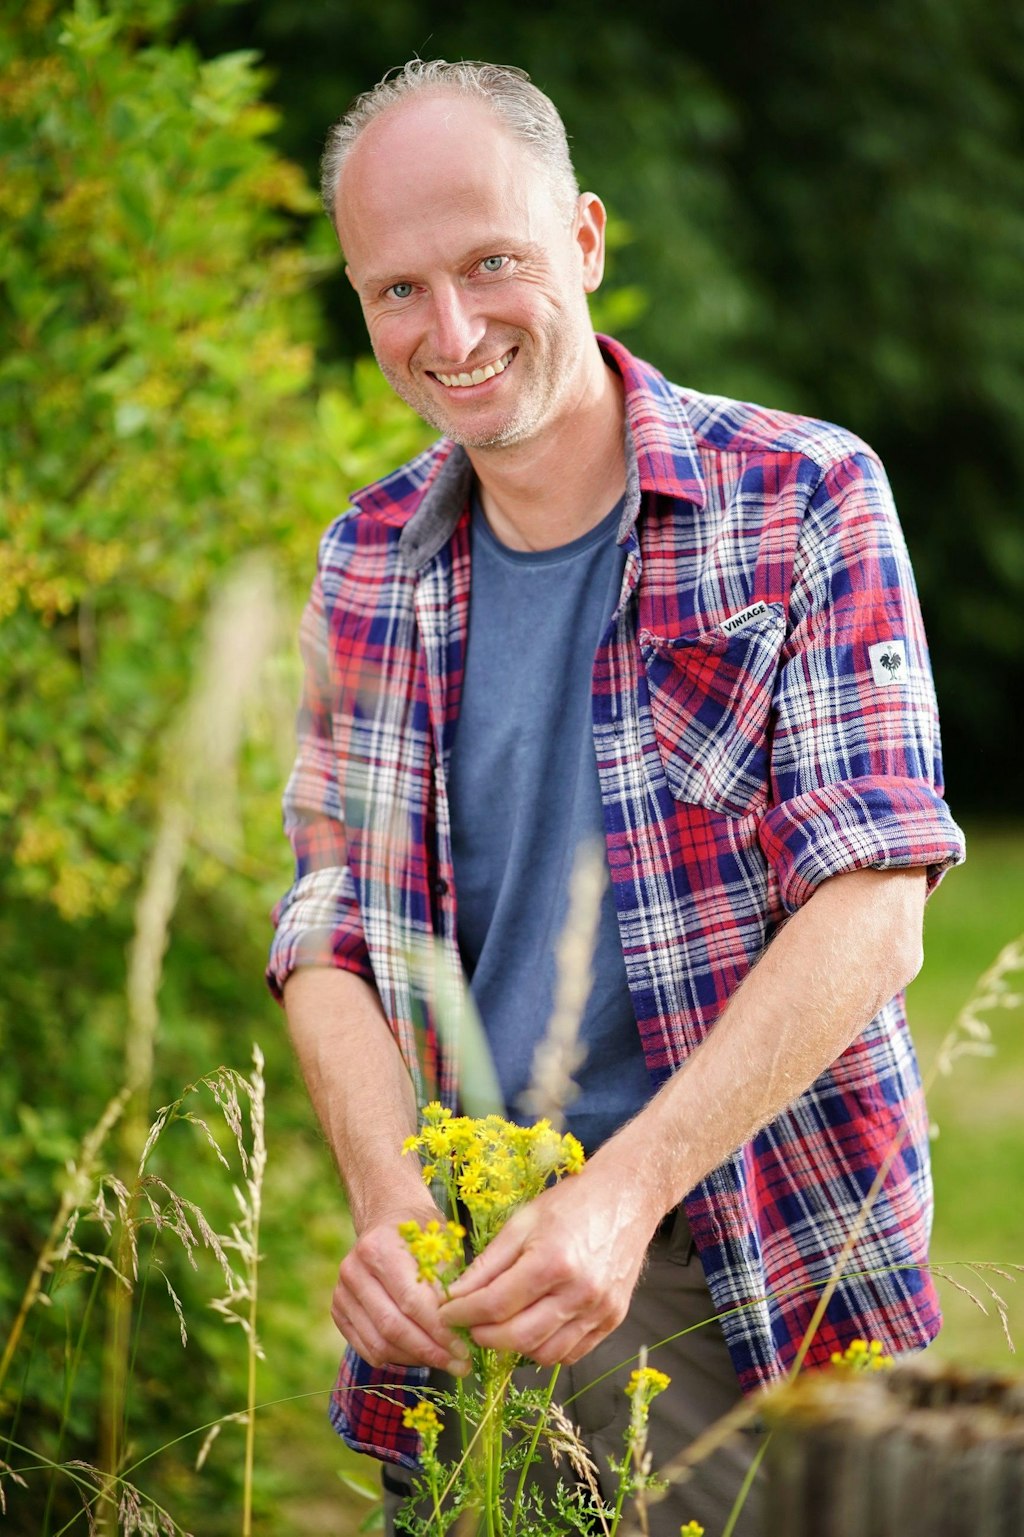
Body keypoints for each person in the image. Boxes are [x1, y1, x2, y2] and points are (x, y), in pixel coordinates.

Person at [268, 59, 965, 1534]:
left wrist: (624, 1192)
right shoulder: (367, 560)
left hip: (752, 1253)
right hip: (475, 1271)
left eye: (491, 264)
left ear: (584, 242)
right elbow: (331, 923)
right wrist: (391, 1200)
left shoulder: (804, 497)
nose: (448, 332)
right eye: (396, 290)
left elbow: (876, 898)